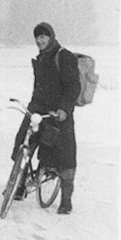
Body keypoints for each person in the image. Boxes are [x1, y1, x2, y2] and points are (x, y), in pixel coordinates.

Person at [11, 22, 80, 214]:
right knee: (23, 142)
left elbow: (73, 87)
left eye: (44, 36)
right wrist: (30, 108)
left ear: (51, 37)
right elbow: (39, 88)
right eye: (37, 37)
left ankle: (66, 201)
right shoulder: (40, 58)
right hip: (38, 110)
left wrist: (64, 110)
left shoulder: (63, 56)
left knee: (65, 157)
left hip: (58, 114)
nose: (40, 40)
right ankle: (20, 184)